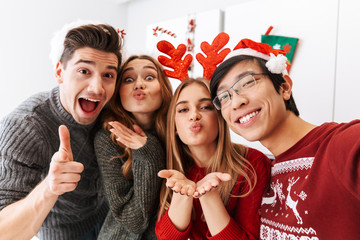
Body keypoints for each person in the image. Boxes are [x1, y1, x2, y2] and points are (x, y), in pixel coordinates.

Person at [209, 38, 360, 239]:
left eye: (247, 82)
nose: (236, 102)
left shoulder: (344, 145)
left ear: (284, 88)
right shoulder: (262, 172)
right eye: (224, 97)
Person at [0, 22, 123, 240]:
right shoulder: (26, 126)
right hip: (62, 232)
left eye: (108, 75)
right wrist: (49, 186)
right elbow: (4, 232)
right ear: (59, 72)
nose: (97, 88)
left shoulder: (112, 107)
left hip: (106, 218)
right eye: (84, 71)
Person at [155, 78, 271, 240]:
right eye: (183, 110)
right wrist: (182, 194)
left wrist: (208, 195)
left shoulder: (253, 163)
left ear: (220, 117)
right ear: (174, 126)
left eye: (205, 107)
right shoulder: (169, 169)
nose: (194, 115)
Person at [94, 55, 173, 239]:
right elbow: (134, 221)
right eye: (128, 79)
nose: (139, 84)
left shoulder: (178, 132)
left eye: (149, 77)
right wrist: (147, 151)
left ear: (164, 88)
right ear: (118, 92)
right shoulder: (108, 138)